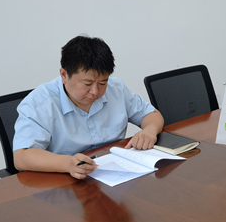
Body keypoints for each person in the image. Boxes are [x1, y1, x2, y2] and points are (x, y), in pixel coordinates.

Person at [13, 35, 164, 179]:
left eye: (102, 83)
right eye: (87, 84)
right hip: (66, 179)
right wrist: (67, 164)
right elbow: (21, 157)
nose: (95, 92)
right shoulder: (39, 103)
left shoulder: (116, 89)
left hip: (117, 171)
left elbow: (151, 115)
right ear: (64, 75)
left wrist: (149, 130)